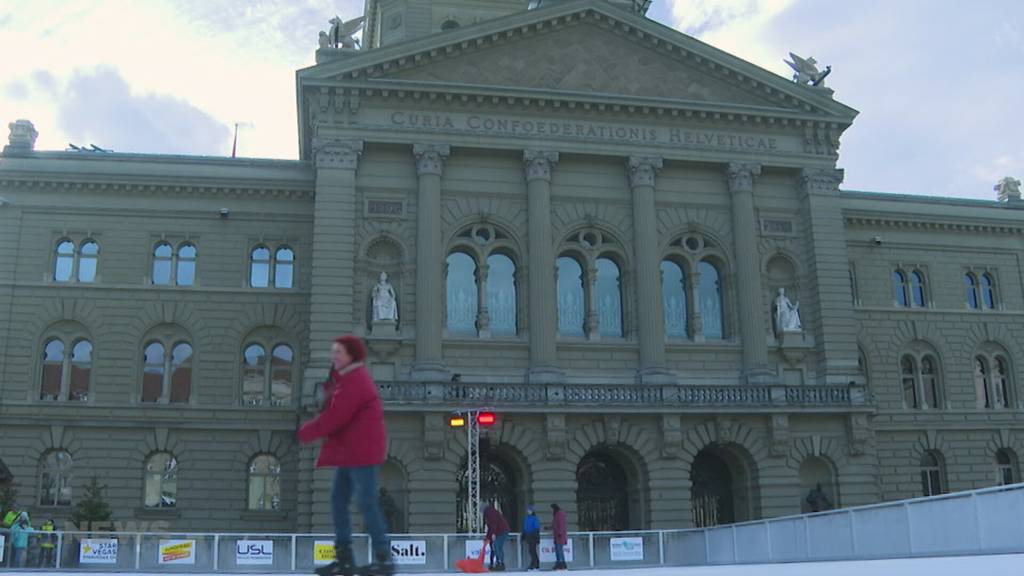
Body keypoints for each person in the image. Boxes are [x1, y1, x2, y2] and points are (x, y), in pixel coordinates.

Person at [298, 335, 393, 576]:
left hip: (363, 452)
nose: (334, 356)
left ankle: (384, 558)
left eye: (338, 352)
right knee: (338, 500)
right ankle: (344, 557)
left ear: (351, 355)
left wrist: (304, 433)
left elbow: (335, 418)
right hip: (351, 452)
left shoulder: (356, 381)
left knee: (365, 502)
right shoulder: (345, 380)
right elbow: (333, 409)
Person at [482, 503, 509, 572]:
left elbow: (494, 523)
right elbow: (490, 527)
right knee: (495, 547)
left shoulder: (490, 512)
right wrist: (487, 537)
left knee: (497, 546)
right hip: (499, 531)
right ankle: (497, 563)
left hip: (501, 531)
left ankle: (500, 563)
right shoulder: (488, 513)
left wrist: (493, 533)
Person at [522, 505, 541, 571]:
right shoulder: (527, 518)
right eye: (527, 510)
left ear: (532, 511)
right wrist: (523, 534)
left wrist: (535, 535)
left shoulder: (534, 518)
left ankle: (535, 564)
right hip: (528, 536)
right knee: (531, 551)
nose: (528, 511)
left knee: (532, 551)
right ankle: (535, 564)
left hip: (533, 536)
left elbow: (536, 527)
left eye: (529, 510)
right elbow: (525, 527)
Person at [550, 503, 568, 570]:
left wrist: (560, 533)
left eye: (552, 509)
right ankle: (560, 563)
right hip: (557, 535)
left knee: (559, 550)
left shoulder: (559, 514)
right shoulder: (556, 515)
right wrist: (548, 527)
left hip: (559, 536)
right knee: (558, 550)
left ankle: (561, 563)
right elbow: (554, 524)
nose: (551, 511)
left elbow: (561, 524)